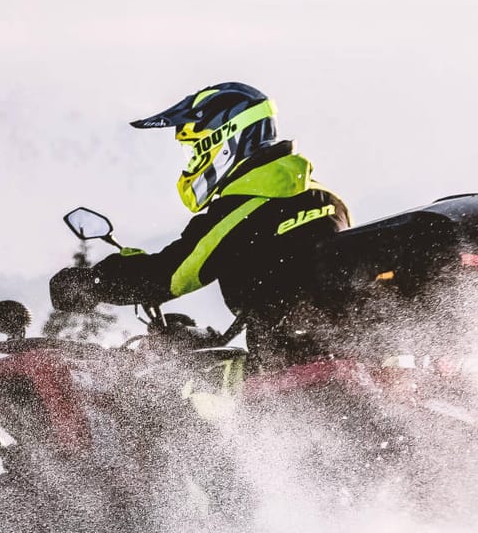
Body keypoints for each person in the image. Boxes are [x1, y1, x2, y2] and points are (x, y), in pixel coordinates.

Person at [52, 82, 350, 364]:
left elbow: (172, 275)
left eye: (194, 150)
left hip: (280, 370)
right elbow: (287, 290)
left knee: (163, 394)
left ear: (221, 142)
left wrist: (96, 283)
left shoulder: (248, 205)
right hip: (336, 352)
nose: (192, 161)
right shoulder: (327, 198)